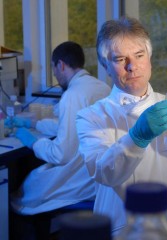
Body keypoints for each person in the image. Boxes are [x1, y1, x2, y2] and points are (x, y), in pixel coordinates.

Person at [76, 17, 167, 236]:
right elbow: (104, 172)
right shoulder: (91, 117)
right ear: (106, 67)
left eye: (139, 55)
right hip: (124, 229)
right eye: (119, 59)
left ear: (150, 59)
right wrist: (136, 138)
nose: (132, 66)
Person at [10, 41, 111, 237]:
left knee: (21, 195)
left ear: (61, 65)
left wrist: (33, 142)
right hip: (99, 178)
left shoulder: (72, 95)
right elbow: (70, 124)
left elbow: (61, 154)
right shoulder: (100, 87)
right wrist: (34, 124)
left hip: (79, 179)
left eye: (53, 68)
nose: (54, 74)